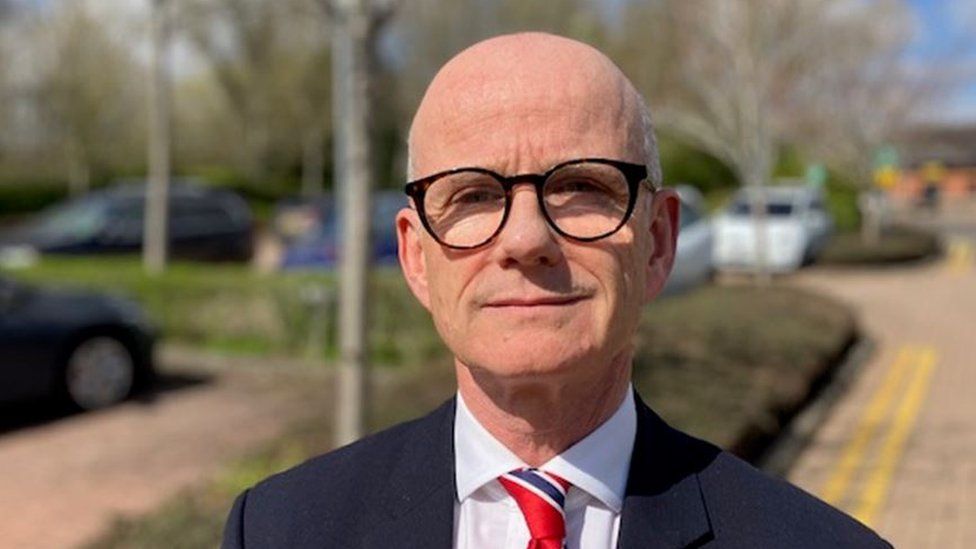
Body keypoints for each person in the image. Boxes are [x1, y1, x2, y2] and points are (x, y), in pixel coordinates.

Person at [221, 33, 891, 548]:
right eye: (475, 194)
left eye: (582, 188)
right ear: (416, 257)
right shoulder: (281, 530)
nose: (525, 239)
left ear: (657, 241)